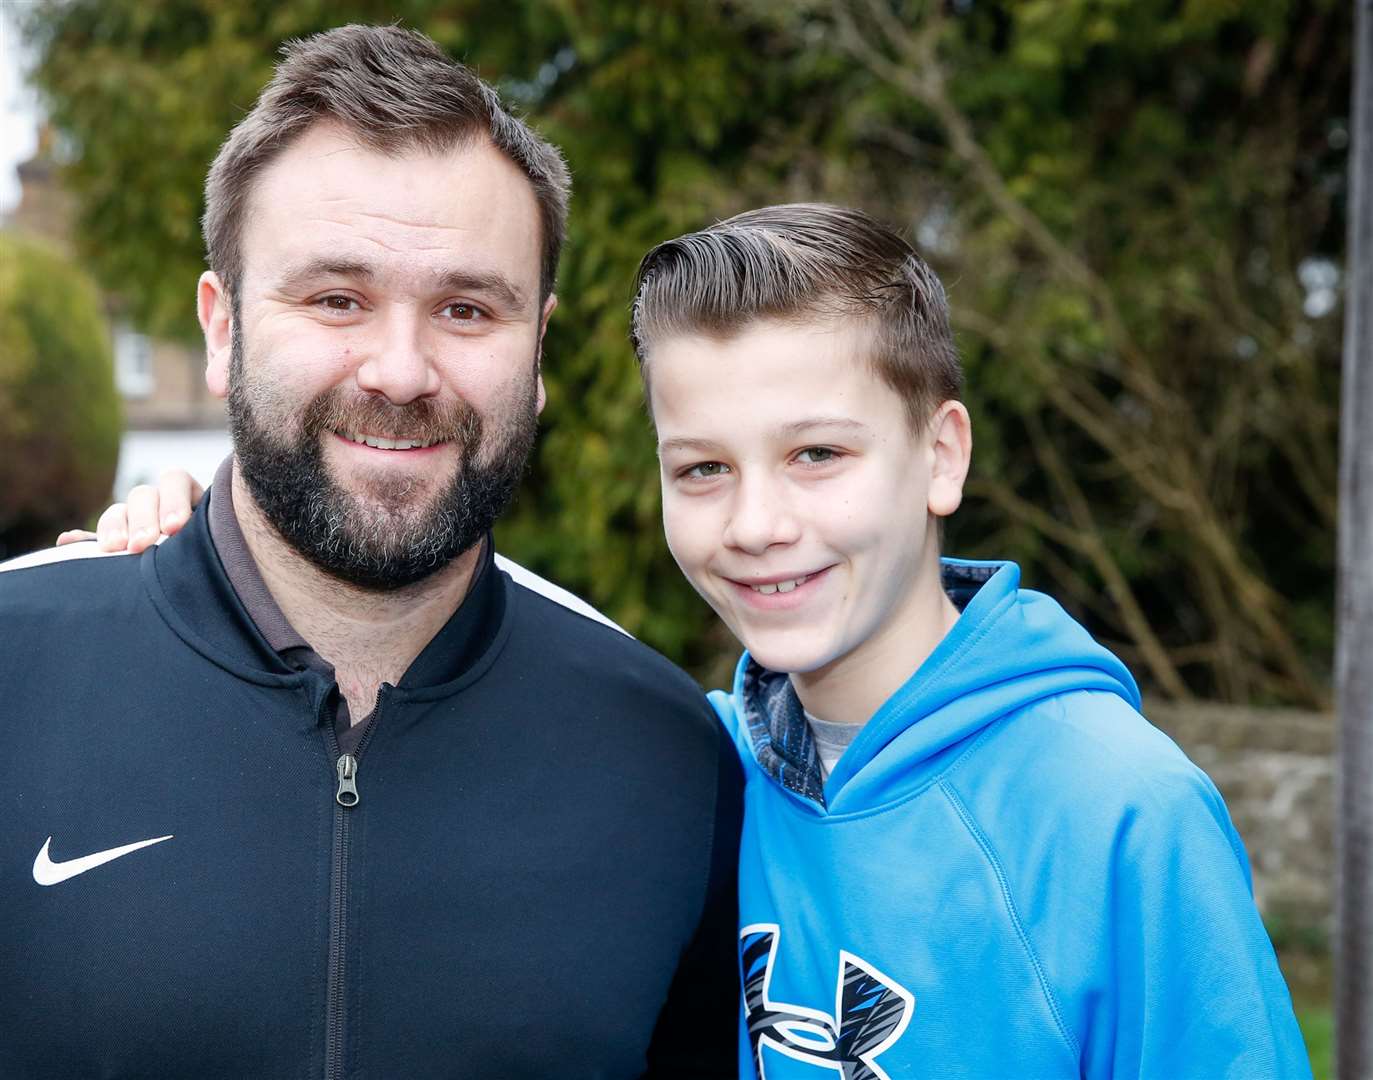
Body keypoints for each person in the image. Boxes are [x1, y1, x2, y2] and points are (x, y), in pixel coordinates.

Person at [88, 203, 1315, 1077]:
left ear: (940, 454)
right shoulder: (688, 770)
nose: (758, 525)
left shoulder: (1116, 813)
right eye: (702, 469)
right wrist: (200, 546)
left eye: (817, 454)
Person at [0, 25, 741, 1079]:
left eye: (466, 308)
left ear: (538, 355)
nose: (400, 371)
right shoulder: (14, 675)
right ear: (221, 330)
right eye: (337, 298)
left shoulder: (668, 757)